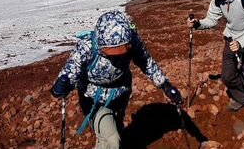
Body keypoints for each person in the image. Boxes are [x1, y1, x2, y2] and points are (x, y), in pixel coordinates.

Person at [51, 10, 182, 149]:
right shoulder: (87, 47)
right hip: (93, 99)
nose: (117, 59)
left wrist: (164, 84)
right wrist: (63, 84)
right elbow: (72, 68)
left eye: (122, 53)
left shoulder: (132, 41)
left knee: (114, 131)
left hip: (120, 94)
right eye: (111, 55)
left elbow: (146, 62)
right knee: (112, 138)